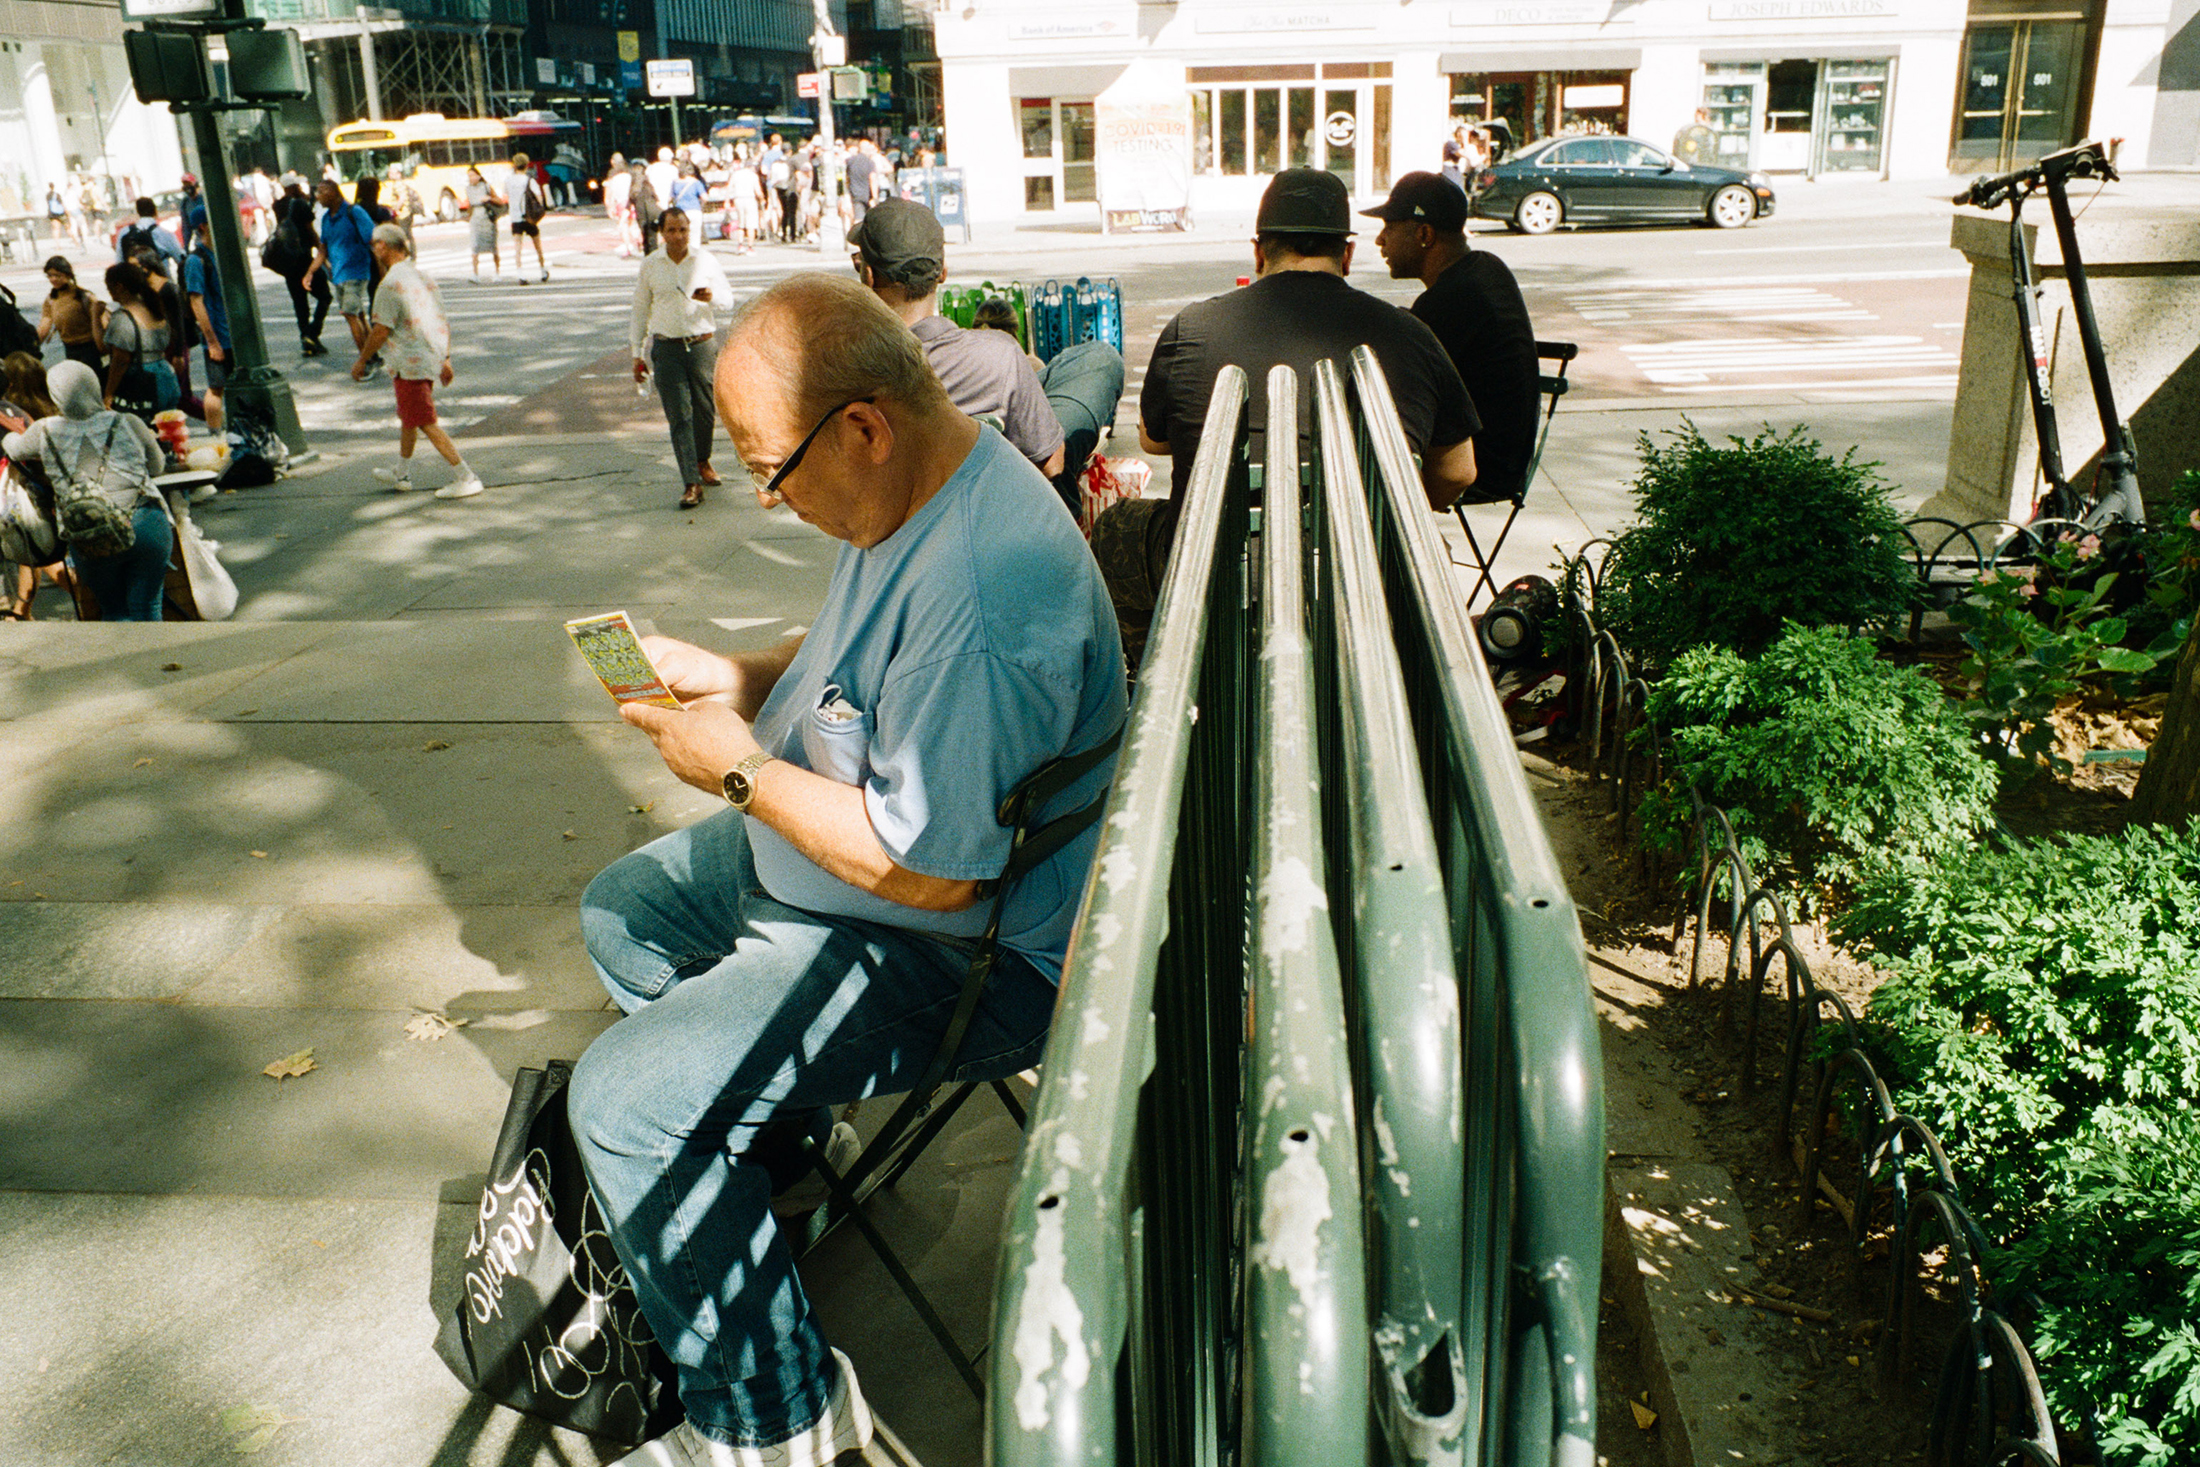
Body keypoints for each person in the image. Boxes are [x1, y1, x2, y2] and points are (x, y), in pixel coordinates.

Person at [566, 271, 1124, 1467]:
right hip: (854, 862)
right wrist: (739, 681)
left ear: (862, 425)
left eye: (774, 470)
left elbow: (935, 877)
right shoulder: (918, 486)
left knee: (621, 1103)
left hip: (966, 945)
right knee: (625, 913)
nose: (770, 499)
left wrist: (733, 770)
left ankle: (776, 1422)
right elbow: (848, 663)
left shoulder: (982, 586)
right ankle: (756, 1186)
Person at [1118, 168, 1479, 660]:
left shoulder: (1193, 327)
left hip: (1219, 568)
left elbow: (1154, 440)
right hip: (1361, 570)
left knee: (1119, 527)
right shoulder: (1410, 334)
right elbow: (1459, 471)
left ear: (1259, 251)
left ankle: (1154, 670)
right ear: (1348, 255)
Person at [848, 199, 1066, 480]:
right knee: (1095, 360)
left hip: (905, 512)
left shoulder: (851, 372)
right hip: (991, 502)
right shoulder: (998, 355)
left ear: (868, 275)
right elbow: (1051, 464)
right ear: (942, 273)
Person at [1365, 172, 1540, 512]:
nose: (1380, 240)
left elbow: (1389, 388)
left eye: (1389, 227)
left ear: (1424, 234)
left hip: (1477, 470)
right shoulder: (1486, 270)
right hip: (1508, 462)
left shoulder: (1452, 300)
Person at [4, 360, 172, 620]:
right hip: (146, 522)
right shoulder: (128, 421)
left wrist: (8, 428)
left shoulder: (45, 430)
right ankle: (157, 658)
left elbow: (14, 448)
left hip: (89, 533)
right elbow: (157, 466)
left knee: (114, 609)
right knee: (147, 608)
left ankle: (126, 659)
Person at [355, 223, 482, 501]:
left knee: (424, 420)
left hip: (408, 363)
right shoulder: (423, 277)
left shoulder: (389, 284)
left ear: (383, 247)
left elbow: (380, 330)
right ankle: (401, 472)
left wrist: (362, 359)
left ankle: (466, 475)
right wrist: (445, 358)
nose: (374, 248)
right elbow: (439, 320)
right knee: (410, 417)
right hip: (426, 357)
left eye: (375, 243)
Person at [630, 207, 732, 510]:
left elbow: (728, 299)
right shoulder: (651, 265)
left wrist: (710, 295)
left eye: (683, 230)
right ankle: (691, 482)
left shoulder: (705, 260)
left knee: (703, 411)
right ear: (662, 233)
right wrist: (637, 354)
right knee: (679, 416)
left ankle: (702, 461)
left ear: (690, 230)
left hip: (701, 346)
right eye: (671, 230)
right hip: (667, 349)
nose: (677, 236)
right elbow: (639, 310)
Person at [311, 177, 380, 372]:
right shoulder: (326, 218)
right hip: (338, 274)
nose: (318, 196)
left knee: (349, 314)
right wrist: (310, 272)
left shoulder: (354, 212)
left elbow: (373, 241)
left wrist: (383, 271)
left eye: (322, 192)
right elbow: (322, 249)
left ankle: (364, 361)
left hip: (356, 272)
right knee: (358, 315)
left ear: (334, 193)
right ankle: (373, 354)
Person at [99, 261, 180, 420]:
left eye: (109, 287)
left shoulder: (123, 318)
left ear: (119, 286)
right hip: (166, 376)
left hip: (142, 382)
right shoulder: (153, 307)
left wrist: (109, 393)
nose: (109, 292)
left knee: (144, 434)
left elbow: (120, 361)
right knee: (167, 430)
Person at [271, 173, 331, 355]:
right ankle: (313, 333)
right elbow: (310, 231)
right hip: (304, 258)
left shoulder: (278, 205)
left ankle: (305, 338)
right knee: (325, 296)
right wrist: (322, 252)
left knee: (299, 303)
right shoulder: (301, 204)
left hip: (288, 262)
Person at [182, 218, 231, 435]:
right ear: (203, 226)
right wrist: (212, 342)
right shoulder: (196, 259)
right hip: (218, 336)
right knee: (216, 387)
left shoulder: (220, 254)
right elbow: (196, 301)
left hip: (233, 333)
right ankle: (216, 435)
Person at [37, 259, 107, 377]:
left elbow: (102, 322)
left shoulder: (84, 296)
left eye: (57, 275)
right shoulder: (51, 299)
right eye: (49, 275)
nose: (53, 279)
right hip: (69, 349)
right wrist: (32, 345)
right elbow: (44, 325)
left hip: (89, 349)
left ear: (68, 275)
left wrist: (104, 347)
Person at [505, 153, 549, 283]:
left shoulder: (508, 180)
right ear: (526, 165)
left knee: (517, 247)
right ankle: (542, 270)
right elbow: (539, 197)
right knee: (537, 245)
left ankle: (520, 274)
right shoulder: (529, 180)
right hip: (529, 217)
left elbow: (506, 195)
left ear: (514, 165)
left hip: (515, 217)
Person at [115, 198, 183, 274]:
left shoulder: (124, 232)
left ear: (138, 212)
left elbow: (119, 260)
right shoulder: (164, 233)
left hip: (134, 282)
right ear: (155, 211)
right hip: (159, 282)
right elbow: (180, 259)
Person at [463, 165, 502, 280]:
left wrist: (488, 199)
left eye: (472, 175)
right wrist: (468, 217)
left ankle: (497, 272)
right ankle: (475, 273)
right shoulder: (468, 189)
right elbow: (470, 205)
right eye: (469, 176)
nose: (471, 178)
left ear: (479, 176)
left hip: (487, 218)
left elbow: (499, 201)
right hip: (475, 218)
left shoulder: (486, 186)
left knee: (493, 246)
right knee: (475, 246)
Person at [604, 152, 637, 258]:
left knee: (624, 226)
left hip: (621, 203)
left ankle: (628, 248)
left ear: (612, 162)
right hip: (631, 202)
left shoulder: (612, 175)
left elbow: (610, 193)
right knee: (632, 225)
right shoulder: (630, 173)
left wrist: (609, 206)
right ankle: (640, 242)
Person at [670, 159, 706, 239]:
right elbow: (705, 197)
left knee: (683, 236)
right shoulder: (696, 182)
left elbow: (670, 198)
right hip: (694, 210)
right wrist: (701, 205)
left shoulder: (675, 182)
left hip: (680, 212)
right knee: (695, 236)